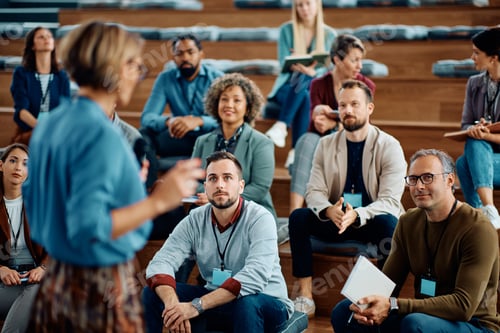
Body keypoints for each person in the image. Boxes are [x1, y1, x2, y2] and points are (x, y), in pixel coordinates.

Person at [22, 21, 205, 332]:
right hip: (99, 285)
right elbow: (89, 227)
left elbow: (40, 215)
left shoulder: (49, 125)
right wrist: (159, 201)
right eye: (134, 64)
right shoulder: (103, 137)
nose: (138, 73)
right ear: (113, 67)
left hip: (57, 282)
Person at [331, 148, 500, 333]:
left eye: (427, 177)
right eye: (413, 179)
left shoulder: (478, 228)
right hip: (423, 316)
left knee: (414, 324)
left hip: (474, 324)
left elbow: (463, 306)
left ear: (449, 180)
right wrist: (367, 305)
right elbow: (387, 285)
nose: (419, 186)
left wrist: (394, 304)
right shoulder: (408, 222)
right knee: (344, 311)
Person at [288, 80, 406, 317]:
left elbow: (391, 201)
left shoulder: (389, 145)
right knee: (298, 217)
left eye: (354, 104)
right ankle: (305, 293)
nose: (348, 110)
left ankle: (384, 300)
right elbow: (314, 191)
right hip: (337, 219)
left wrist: (358, 214)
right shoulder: (325, 144)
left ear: (370, 108)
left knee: (389, 225)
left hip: (369, 220)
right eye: (342, 105)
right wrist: (329, 211)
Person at [142, 151, 294, 333]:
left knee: (247, 303)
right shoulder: (194, 219)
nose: (220, 185)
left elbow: (254, 277)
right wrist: (173, 305)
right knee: (151, 293)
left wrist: (196, 306)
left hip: (265, 302)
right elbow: (161, 262)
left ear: (241, 186)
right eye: (213, 178)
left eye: (227, 178)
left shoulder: (261, 218)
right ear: (205, 187)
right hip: (216, 300)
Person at [289, 34, 376, 213]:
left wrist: (334, 124)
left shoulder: (366, 85)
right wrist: (327, 120)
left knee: (354, 144)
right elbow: (318, 122)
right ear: (337, 59)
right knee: (305, 141)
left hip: (353, 137)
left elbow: (362, 124)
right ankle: (294, 213)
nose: (360, 66)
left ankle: (352, 210)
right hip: (321, 138)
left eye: (361, 60)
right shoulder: (319, 84)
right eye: (354, 60)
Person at [140, 33, 224, 188]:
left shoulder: (217, 78)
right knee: (144, 134)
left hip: (208, 138)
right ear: (173, 58)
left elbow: (226, 118)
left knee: (223, 133)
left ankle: (207, 192)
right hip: (178, 136)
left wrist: (199, 120)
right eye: (179, 53)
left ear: (201, 54)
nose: (185, 57)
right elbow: (147, 117)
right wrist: (169, 121)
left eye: (190, 52)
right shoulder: (165, 78)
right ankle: (149, 188)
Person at [191, 73, 277, 221]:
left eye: (237, 100)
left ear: (248, 108)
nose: (229, 105)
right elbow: (193, 180)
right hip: (209, 212)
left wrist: (220, 198)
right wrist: (211, 196)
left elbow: (260, 187)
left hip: (251, 214)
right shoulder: (202, 141)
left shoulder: (262, 142)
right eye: (224, 99)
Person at [264, 0, 337, 167]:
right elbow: (283, 62)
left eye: (307, 4)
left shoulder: (329, 35)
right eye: (299, 5)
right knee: (303, 89)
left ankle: (281, 126)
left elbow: (331, 69)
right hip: (287, 86)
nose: (304, 8)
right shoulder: (286, 30)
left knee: (305, 86)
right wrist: (298, 66)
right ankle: (295, 151)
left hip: (314, 87)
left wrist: (314, 73)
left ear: (317, 5)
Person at [0, 143, 48, 333]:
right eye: (13, 160)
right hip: (4, 285)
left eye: (26, 164)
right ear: (1, 165)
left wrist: (44, 268)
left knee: (36, 291)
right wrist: (1, 269)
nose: (19, 167)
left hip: (37, 279)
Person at [456, 26, 500, 229]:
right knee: (464, 160)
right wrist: (476, 127)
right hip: (483, 159)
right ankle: (485, 212)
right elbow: (465, 122)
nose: (472, 57)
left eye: (476, 53)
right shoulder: (474, 83)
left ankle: (482, 211)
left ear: (494, 57)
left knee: (465, 163)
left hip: (492, 158)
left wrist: (486, 135)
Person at [10, 26, 71, 145]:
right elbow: (22, 111)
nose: (46, 39)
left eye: (49, 36)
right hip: (29, 131)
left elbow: (66, 108)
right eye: (41, 37)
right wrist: (43, 128)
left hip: (55, 131)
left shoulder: (61, 75)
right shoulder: (21, 73)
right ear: (33, 45)